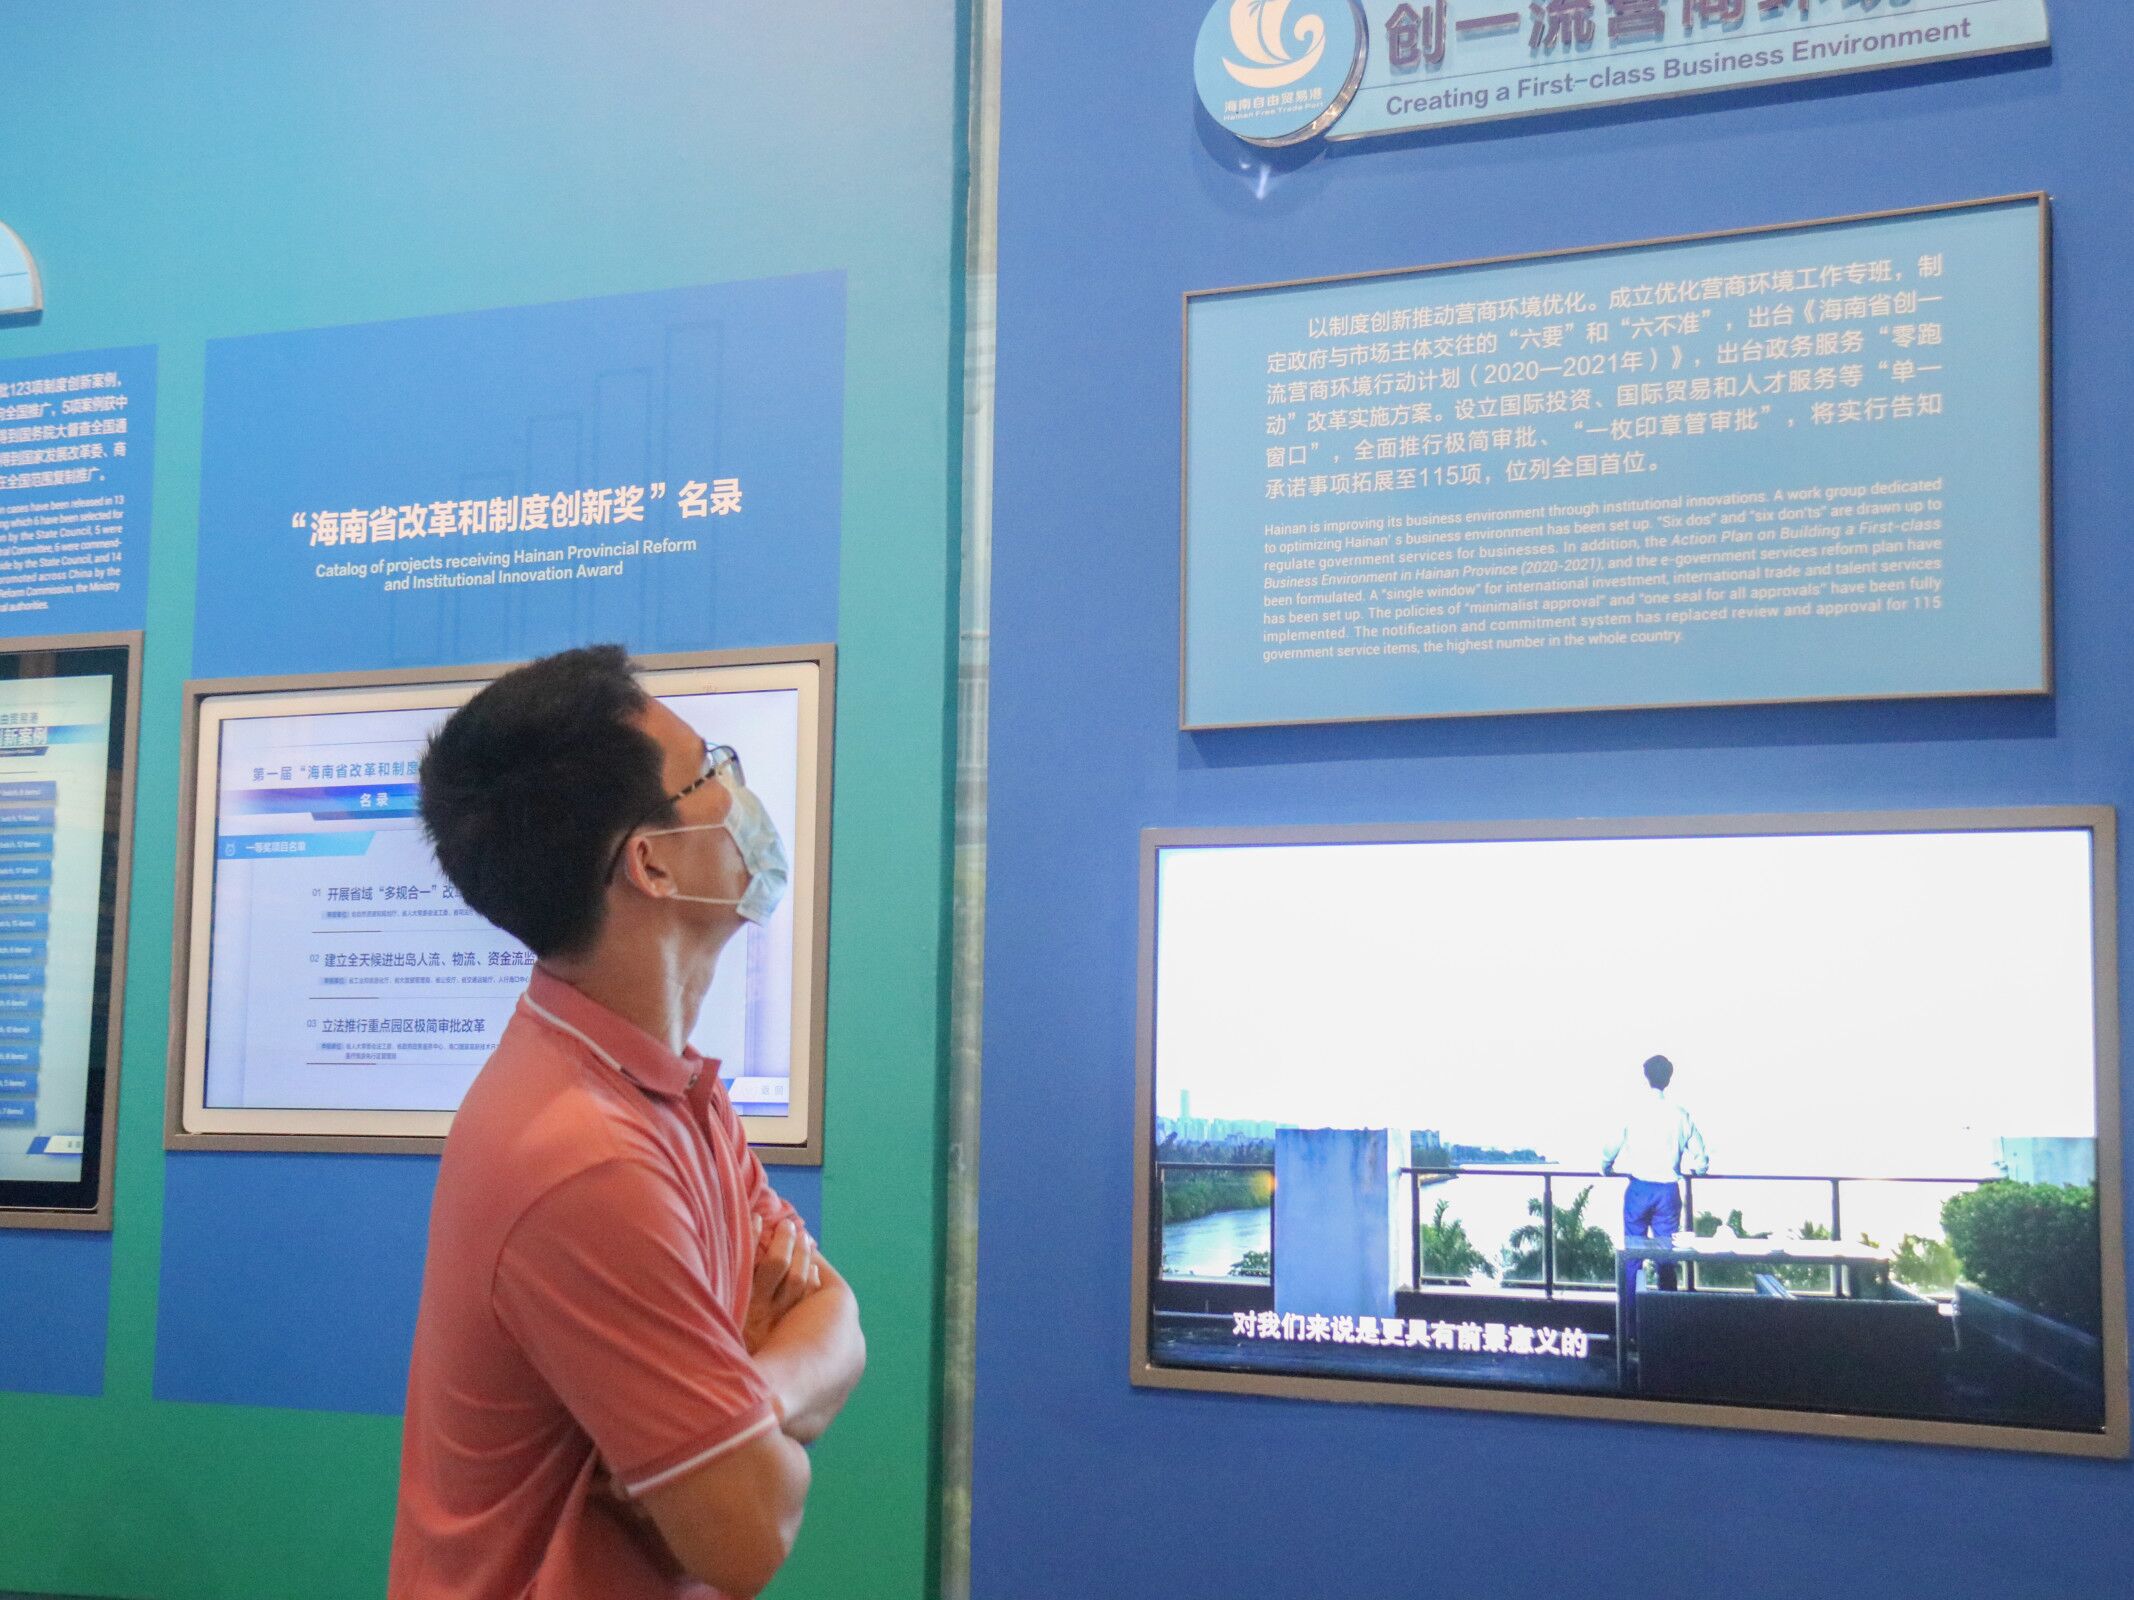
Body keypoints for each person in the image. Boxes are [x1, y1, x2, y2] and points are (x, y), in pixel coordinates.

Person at [389, 645, 864, 1600]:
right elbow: (749, 1534)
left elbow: (835, 1319)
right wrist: (749, 1417)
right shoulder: (585, 1158)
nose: (738, 791)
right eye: (711, 769)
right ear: (650, 863)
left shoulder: (663, 1084)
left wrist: (746, 1401)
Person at [1600, 1053, 1709, 1354]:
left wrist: (1606, 1167)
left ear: (1645, 1076)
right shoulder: (1681, 1114)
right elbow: (1701, 1158)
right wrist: (1697, 1170)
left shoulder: (1632, 1111)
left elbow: (1610, 1148)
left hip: (1638, 1189)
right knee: (1666, 1259)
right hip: (1667, 1192)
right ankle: (1665, 1329)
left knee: (1632, 1258)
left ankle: (1630, 1331)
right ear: (1669, 1078)